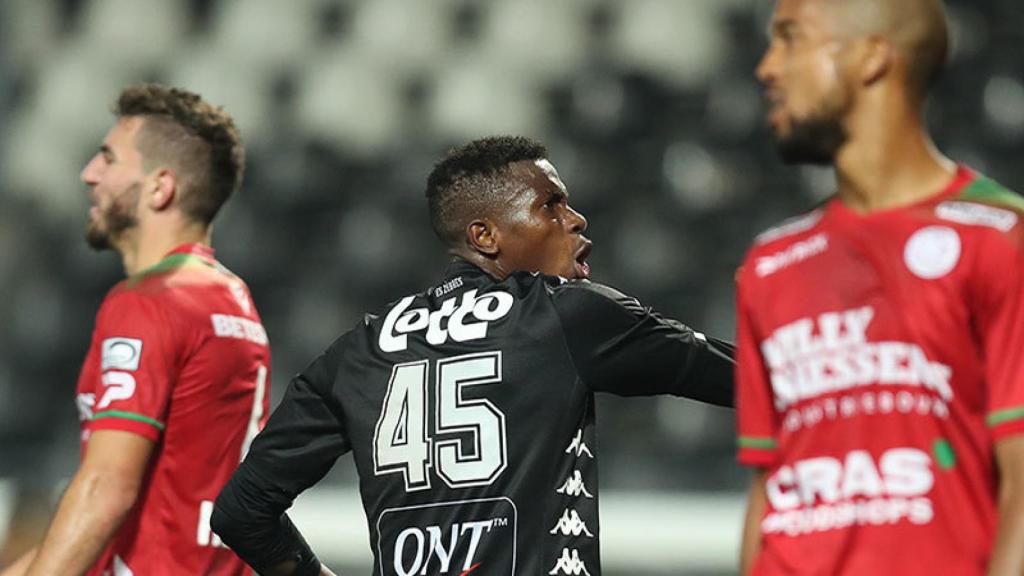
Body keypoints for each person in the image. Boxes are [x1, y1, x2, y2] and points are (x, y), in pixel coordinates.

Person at [211, 136, 735, 576]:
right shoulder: (564, 314)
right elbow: (747, 377)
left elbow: (240, 512)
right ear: (484, 236)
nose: (575, 220)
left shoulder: (358, 351)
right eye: (550, 205)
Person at [736, 0, 1024, 574]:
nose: (768, 67)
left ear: (872, 57)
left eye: (791, 38)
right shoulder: (769, 265)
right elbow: (770, 484)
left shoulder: (1000, 239)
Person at [1, 84, 270, 576]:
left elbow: (105, 490)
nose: (89, 173)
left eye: (108, 159)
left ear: (159, 188)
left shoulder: (149, 301)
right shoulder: (233, 300)